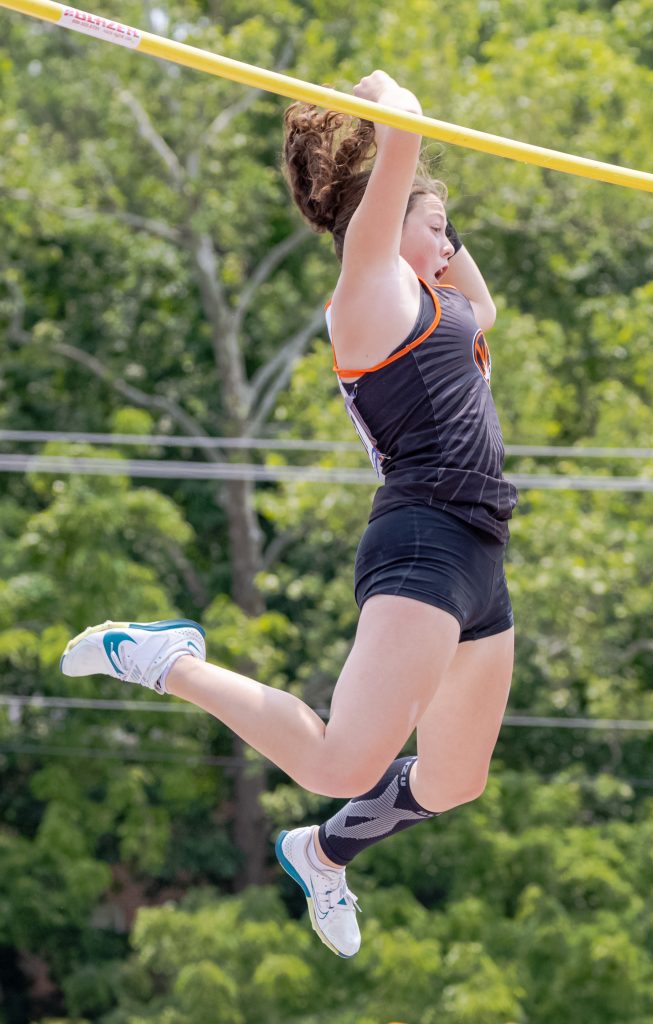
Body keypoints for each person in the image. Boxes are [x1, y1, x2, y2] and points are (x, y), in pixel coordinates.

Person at [61, 70, 518, 959]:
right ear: (383, 226)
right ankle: (162, 660)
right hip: (423, 539)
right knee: (341, 761)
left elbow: (483, 302)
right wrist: (380, 101)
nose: (446, 244)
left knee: (454, 778)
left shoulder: (446, 309)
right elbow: (404, 131)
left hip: (479, 551)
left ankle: (322, 852)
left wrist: (435, 217)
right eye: (433, 226)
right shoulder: (367, 295)